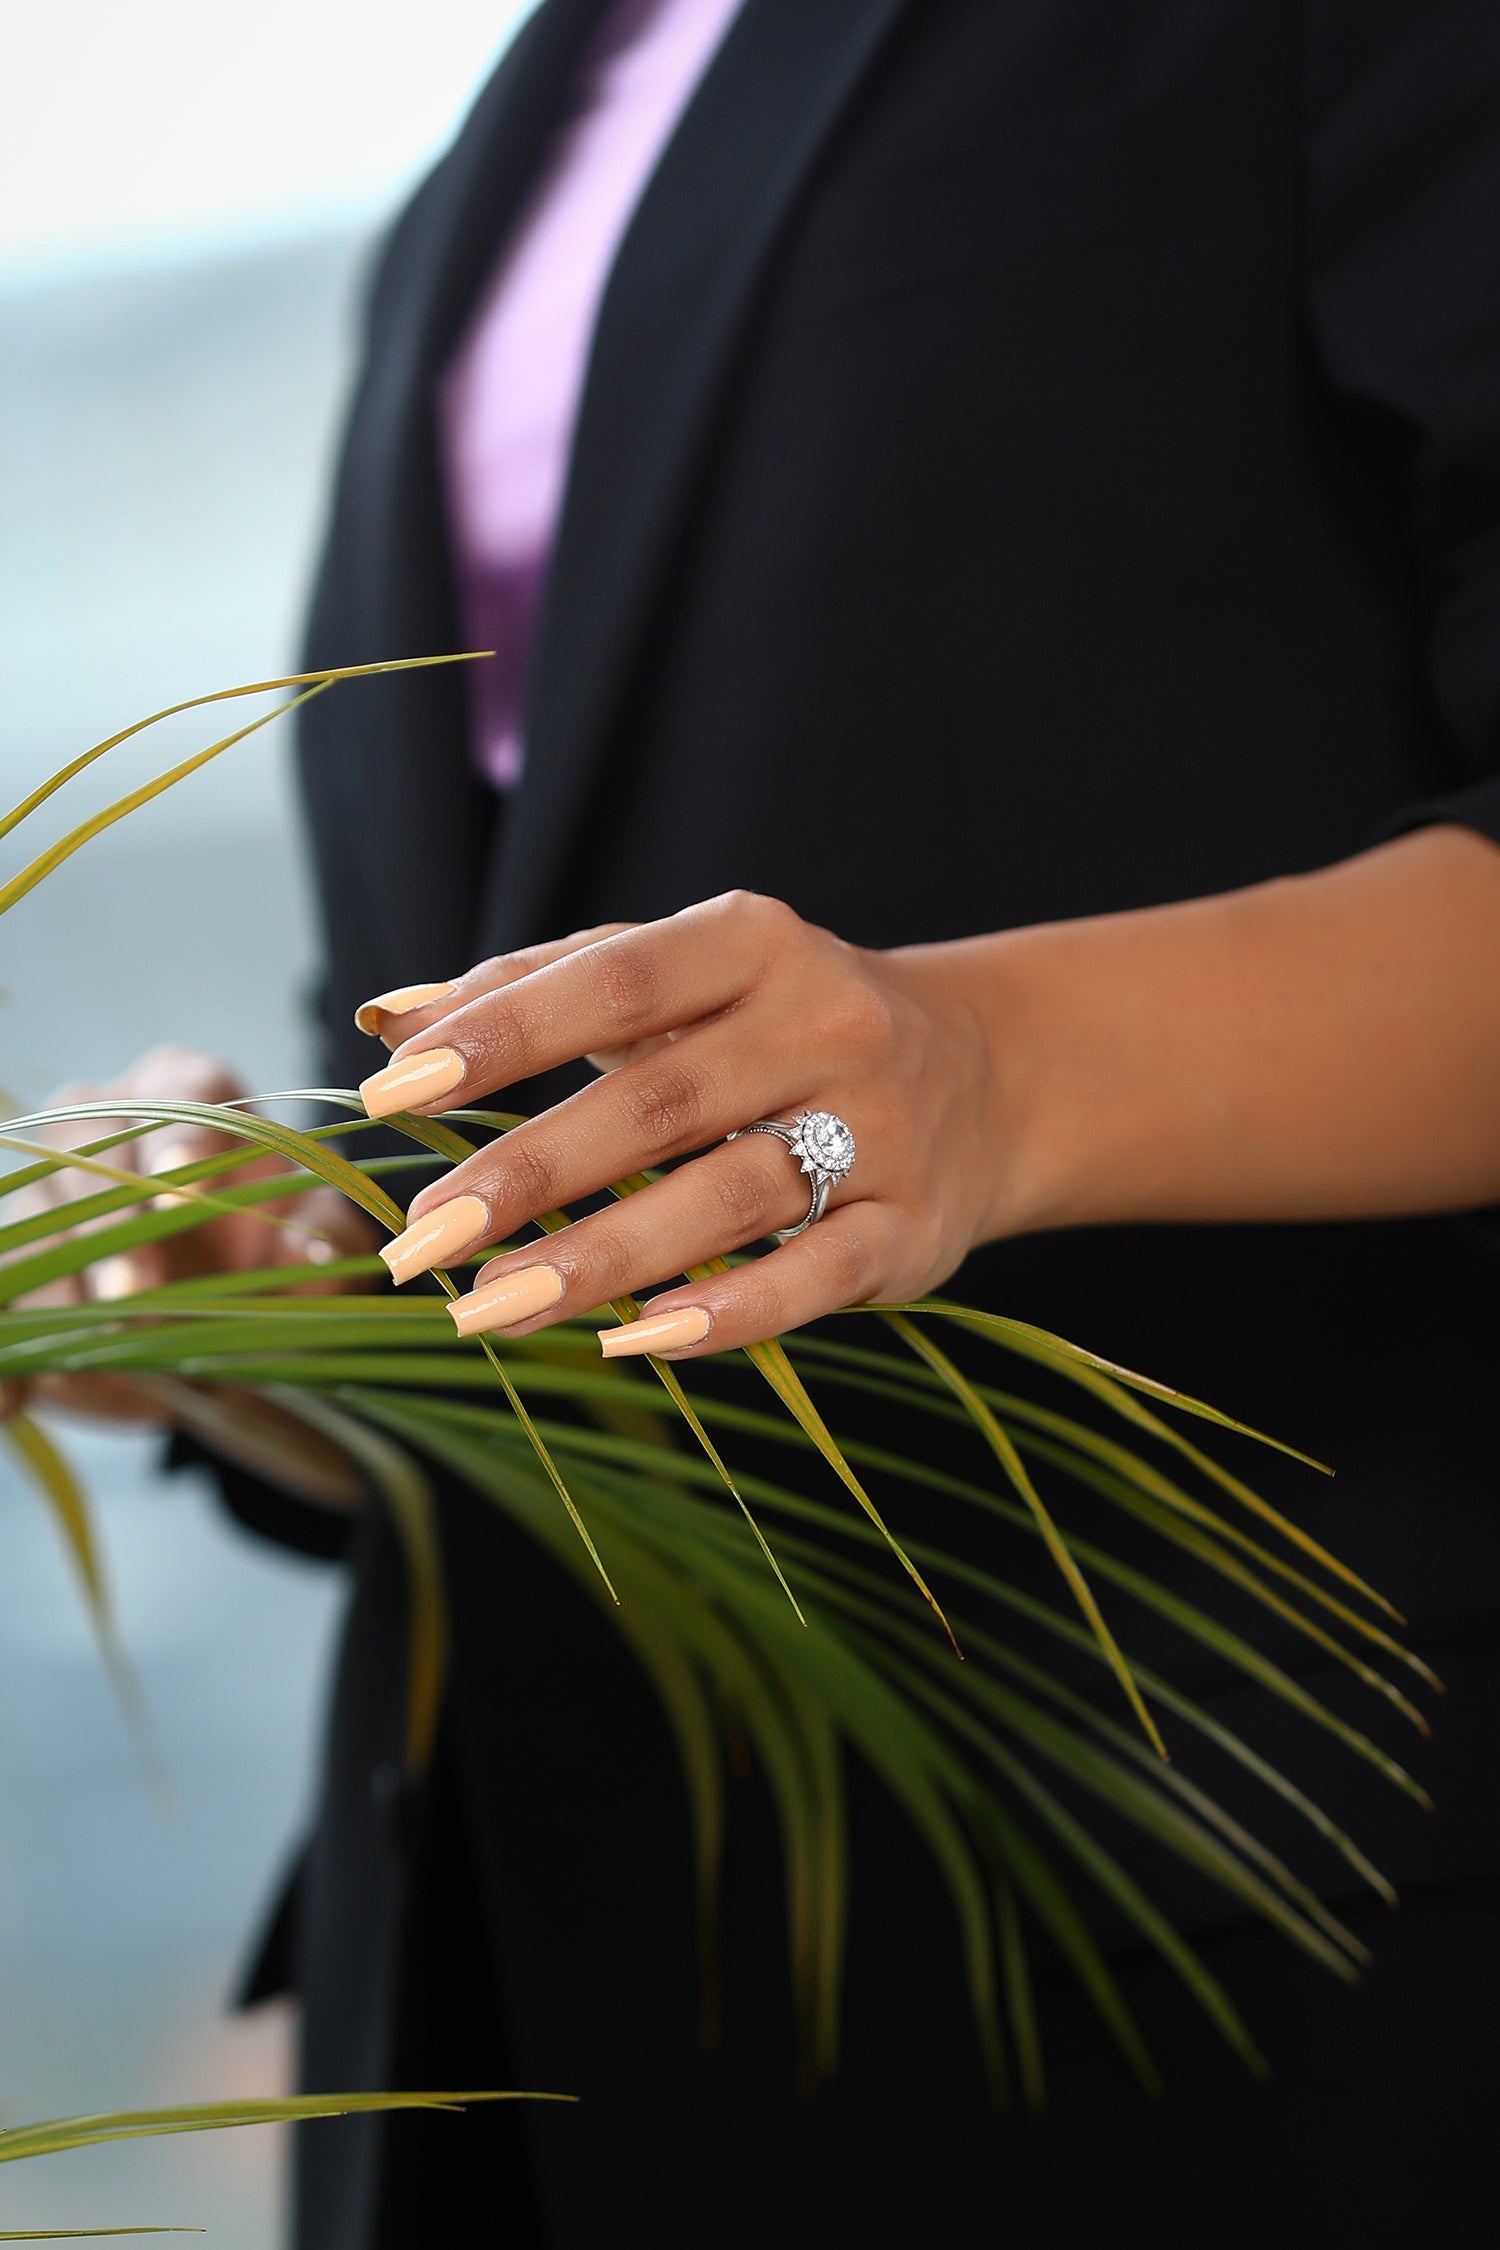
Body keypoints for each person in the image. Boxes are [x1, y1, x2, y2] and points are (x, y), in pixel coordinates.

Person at [27, 1, 1500, 2242]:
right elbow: (567, 1260)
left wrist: (990, 1072)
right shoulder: (502, 163)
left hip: (1194, 1941)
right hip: (523, 2027)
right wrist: (306, 1299)